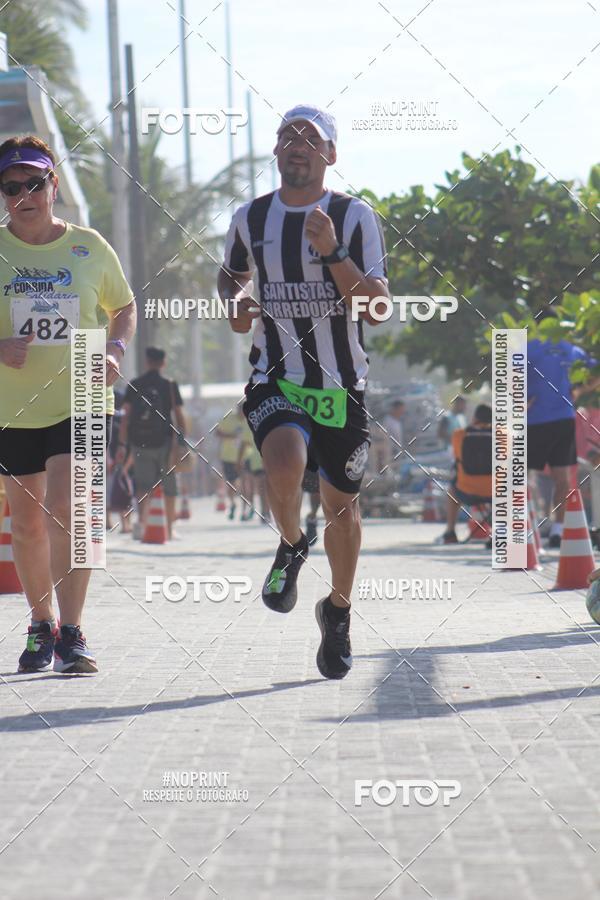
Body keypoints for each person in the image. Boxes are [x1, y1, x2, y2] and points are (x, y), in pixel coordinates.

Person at [218, 103, 388, 680]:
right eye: (288, 134)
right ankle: (291, 544)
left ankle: (337, 612)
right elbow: (230, 275)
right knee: (285, 461)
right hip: (276, 373)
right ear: (275, 150)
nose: (297, 143)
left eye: (311, 138)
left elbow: (377, 307)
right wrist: (237, 305)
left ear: (329, 156)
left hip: (342, 384)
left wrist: (334, 251)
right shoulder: (250, 217)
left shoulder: (354, 215)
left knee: (343, 508)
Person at [0, 134, 136, 673]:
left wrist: (116, 348)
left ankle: (73, 632)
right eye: (11, 187)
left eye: (34, 183)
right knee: (28, 522)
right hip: (12, 403)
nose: (23, 195)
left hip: (82, 386)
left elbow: (123, 305)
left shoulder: (88, 246)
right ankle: (40, 623)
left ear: (52, 185)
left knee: (72, 508)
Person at [528, 309, 599, 548]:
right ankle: (558, 529)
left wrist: (522, 401)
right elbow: (596, 369)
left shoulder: (530, 348)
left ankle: (527, 527)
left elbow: (509, 375)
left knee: (523, 475)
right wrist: (579, 391)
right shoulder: (572, 350)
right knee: (562, 478)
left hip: (535, 420)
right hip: (563, 419)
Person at [118, 347, 185, 540]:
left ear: (147, 362)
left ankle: (143, 523)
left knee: (143, 484)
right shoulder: (169, 385)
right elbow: (179, 414)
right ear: (163, 363)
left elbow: (126, 416)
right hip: (165, 441)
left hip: (139, 442)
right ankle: (170, 528)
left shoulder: (135, 384)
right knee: (170, 484)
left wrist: (123, 443)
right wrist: (181, 440)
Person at [441, 404, 492, 544]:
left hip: (466, 490)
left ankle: (450, 532)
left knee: (452, 491)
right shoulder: (504, 435)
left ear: (475, 418)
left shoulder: (459, 435)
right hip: (495, 492)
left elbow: (457, 459)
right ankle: (499, 533)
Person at [215, 408, 244, 520]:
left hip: (245, 456)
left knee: (245, 482)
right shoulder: (228, 418)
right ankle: (232, 504)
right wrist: (231, 436)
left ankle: (245, 508)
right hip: (228, 457)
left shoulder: (248, 419)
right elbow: (217, 433)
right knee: (232, 483)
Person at [381, 399, 406, 472]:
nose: (402, 412)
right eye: (401, 410)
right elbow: (384, 436)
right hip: (390, 451)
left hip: (397, 450)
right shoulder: (388, 420)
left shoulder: (398, 421)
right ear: (396, 409)